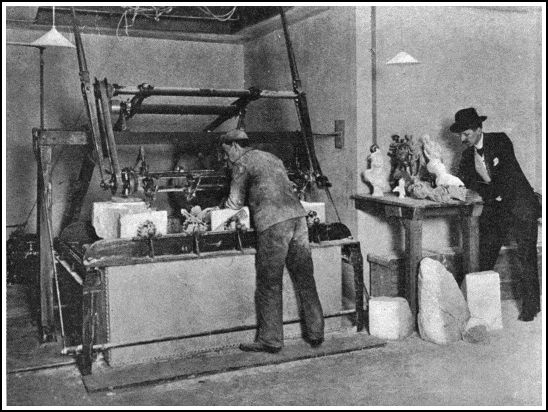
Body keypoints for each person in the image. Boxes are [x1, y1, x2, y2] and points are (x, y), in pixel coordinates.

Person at [219, 128, 325, 352]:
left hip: (273, 223)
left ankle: (271, 339)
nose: (227, 159)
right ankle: (316, 333)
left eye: (226, 153)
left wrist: (214, 211)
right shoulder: (272, 158)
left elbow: (234, 203)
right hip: (298, 218)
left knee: (270, 282)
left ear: (235, 146)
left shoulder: (242, 164)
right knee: (305, 278)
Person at [451, 107, 541, 322]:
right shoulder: (467, 156)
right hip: (497, 209)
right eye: (461, 134)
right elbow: (465, 182)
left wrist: (481, 191)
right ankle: (477, 309)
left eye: (466, 134)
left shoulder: (501, 141)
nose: (462, 139)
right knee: (484, 254)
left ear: (479, 129)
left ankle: (531, 307)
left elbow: (505, 178)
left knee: (526, 256)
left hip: (521, 205)